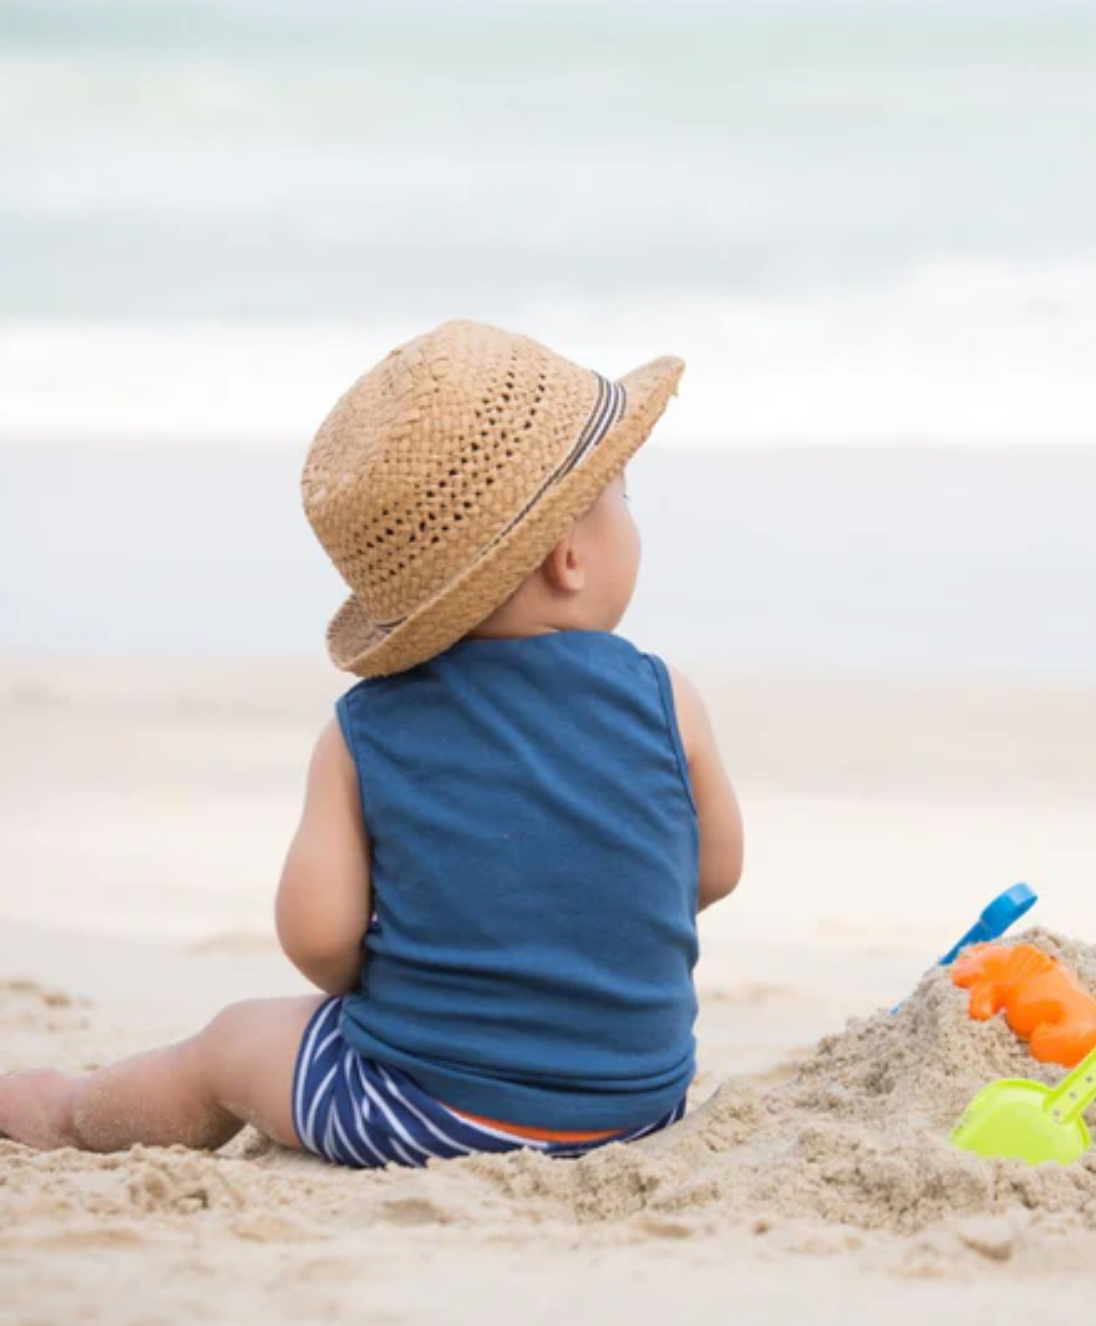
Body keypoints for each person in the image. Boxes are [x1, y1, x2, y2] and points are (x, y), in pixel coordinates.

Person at [0, 320, 743, 1167]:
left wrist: (435, 970)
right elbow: (712, 872)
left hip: (429, 1114)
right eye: (625, 500)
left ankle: (67, 1116)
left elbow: (318, 941)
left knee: (229, 1046)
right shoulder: (668, 697)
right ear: (569, 557)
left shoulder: (364, 731)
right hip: (641, 1105)